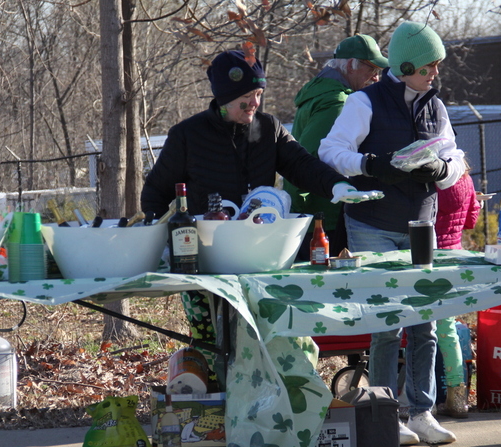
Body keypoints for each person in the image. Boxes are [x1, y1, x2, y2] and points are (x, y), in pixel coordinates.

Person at [141, 49, 382, 376]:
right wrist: (163, 241)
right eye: (245, 99)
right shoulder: (187, 136)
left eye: (258, 95)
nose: (254, 104)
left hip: (257, 259)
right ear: (223, 99)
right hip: (203, 262)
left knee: (263, 337)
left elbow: (302, 165)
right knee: (211, 341)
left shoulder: (268, 129)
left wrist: (336, 186)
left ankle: (264, 401)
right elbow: (154, 192)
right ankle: (218, 408)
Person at [319, 21, 466, 446]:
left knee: (425, 323)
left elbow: (453, 155)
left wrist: (443, 169)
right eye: (428, 66)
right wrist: (372, 165)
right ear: (405, 66)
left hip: (422, 224)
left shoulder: (434, 106)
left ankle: (421, 411)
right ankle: (384, 412)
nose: (434, 73)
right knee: (387, 323)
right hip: (373, 226)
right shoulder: (364, 101)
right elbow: (330, 151)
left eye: (436, 66)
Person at [286, 34, 388, 260]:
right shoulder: (337, 102)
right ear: (351, 65)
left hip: (311, 211)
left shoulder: (320, 93)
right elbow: (314, 158)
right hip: (325, 214)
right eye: (372, 68)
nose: (376, 77)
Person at [434, 165, 480, 418]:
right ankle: (457, 397)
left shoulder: (429, 181)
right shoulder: (467, 180)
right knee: (447, 331)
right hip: (454, 259)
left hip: (426, 258)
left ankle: (423, 398)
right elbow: (471, 221)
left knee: (419, 332)